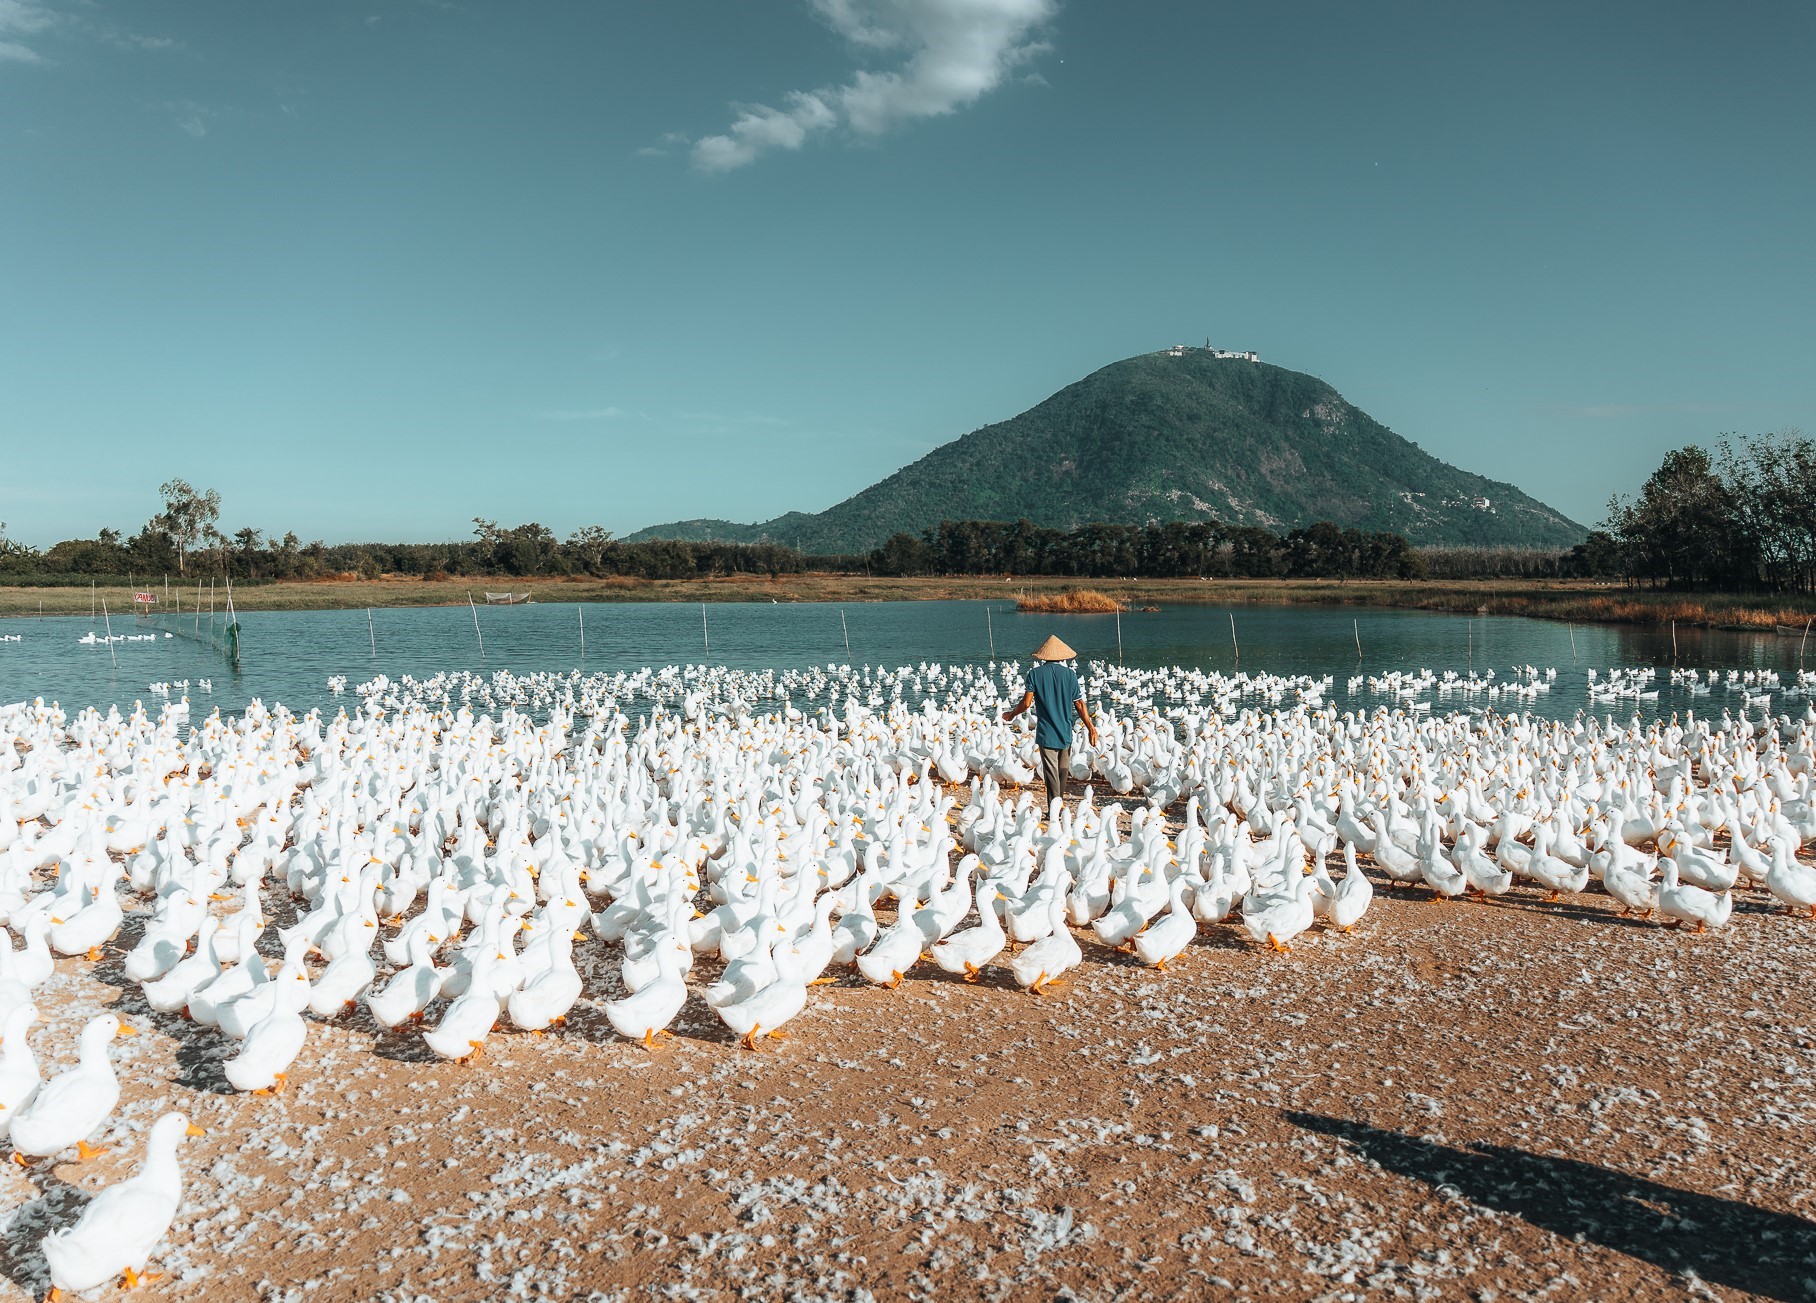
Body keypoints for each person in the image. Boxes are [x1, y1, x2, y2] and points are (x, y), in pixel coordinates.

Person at [1001, 634, 1098, 807]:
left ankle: (1055, 808)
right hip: (1065, 732)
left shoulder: (1034, 674)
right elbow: (1081, 705)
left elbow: (1026, 703)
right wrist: (1091, 727)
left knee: (1052, 773)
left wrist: (1012, 714)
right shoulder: (1070, 675)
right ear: (1062, 656)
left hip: (1047, 733)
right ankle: (1058, 805)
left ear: (1043, 656)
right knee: (1062, 772)